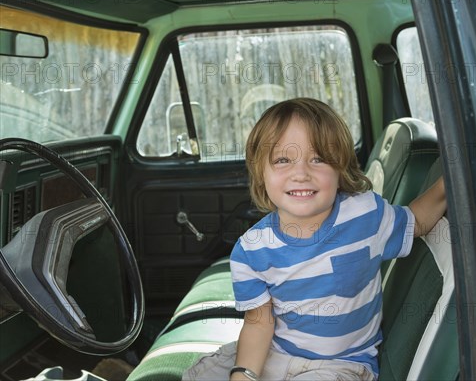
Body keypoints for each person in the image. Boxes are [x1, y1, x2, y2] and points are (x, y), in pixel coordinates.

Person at [183, 98, 446, 381]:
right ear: (261, 174)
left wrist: (449, 183)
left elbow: (417, 220)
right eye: (283, 160)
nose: (301, 173)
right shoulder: (251, 250)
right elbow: (259, 323)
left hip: (341, 365)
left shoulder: (365, 215)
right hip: (276, 354)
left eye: (318, 158)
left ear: (340, 168)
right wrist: (243, 375)